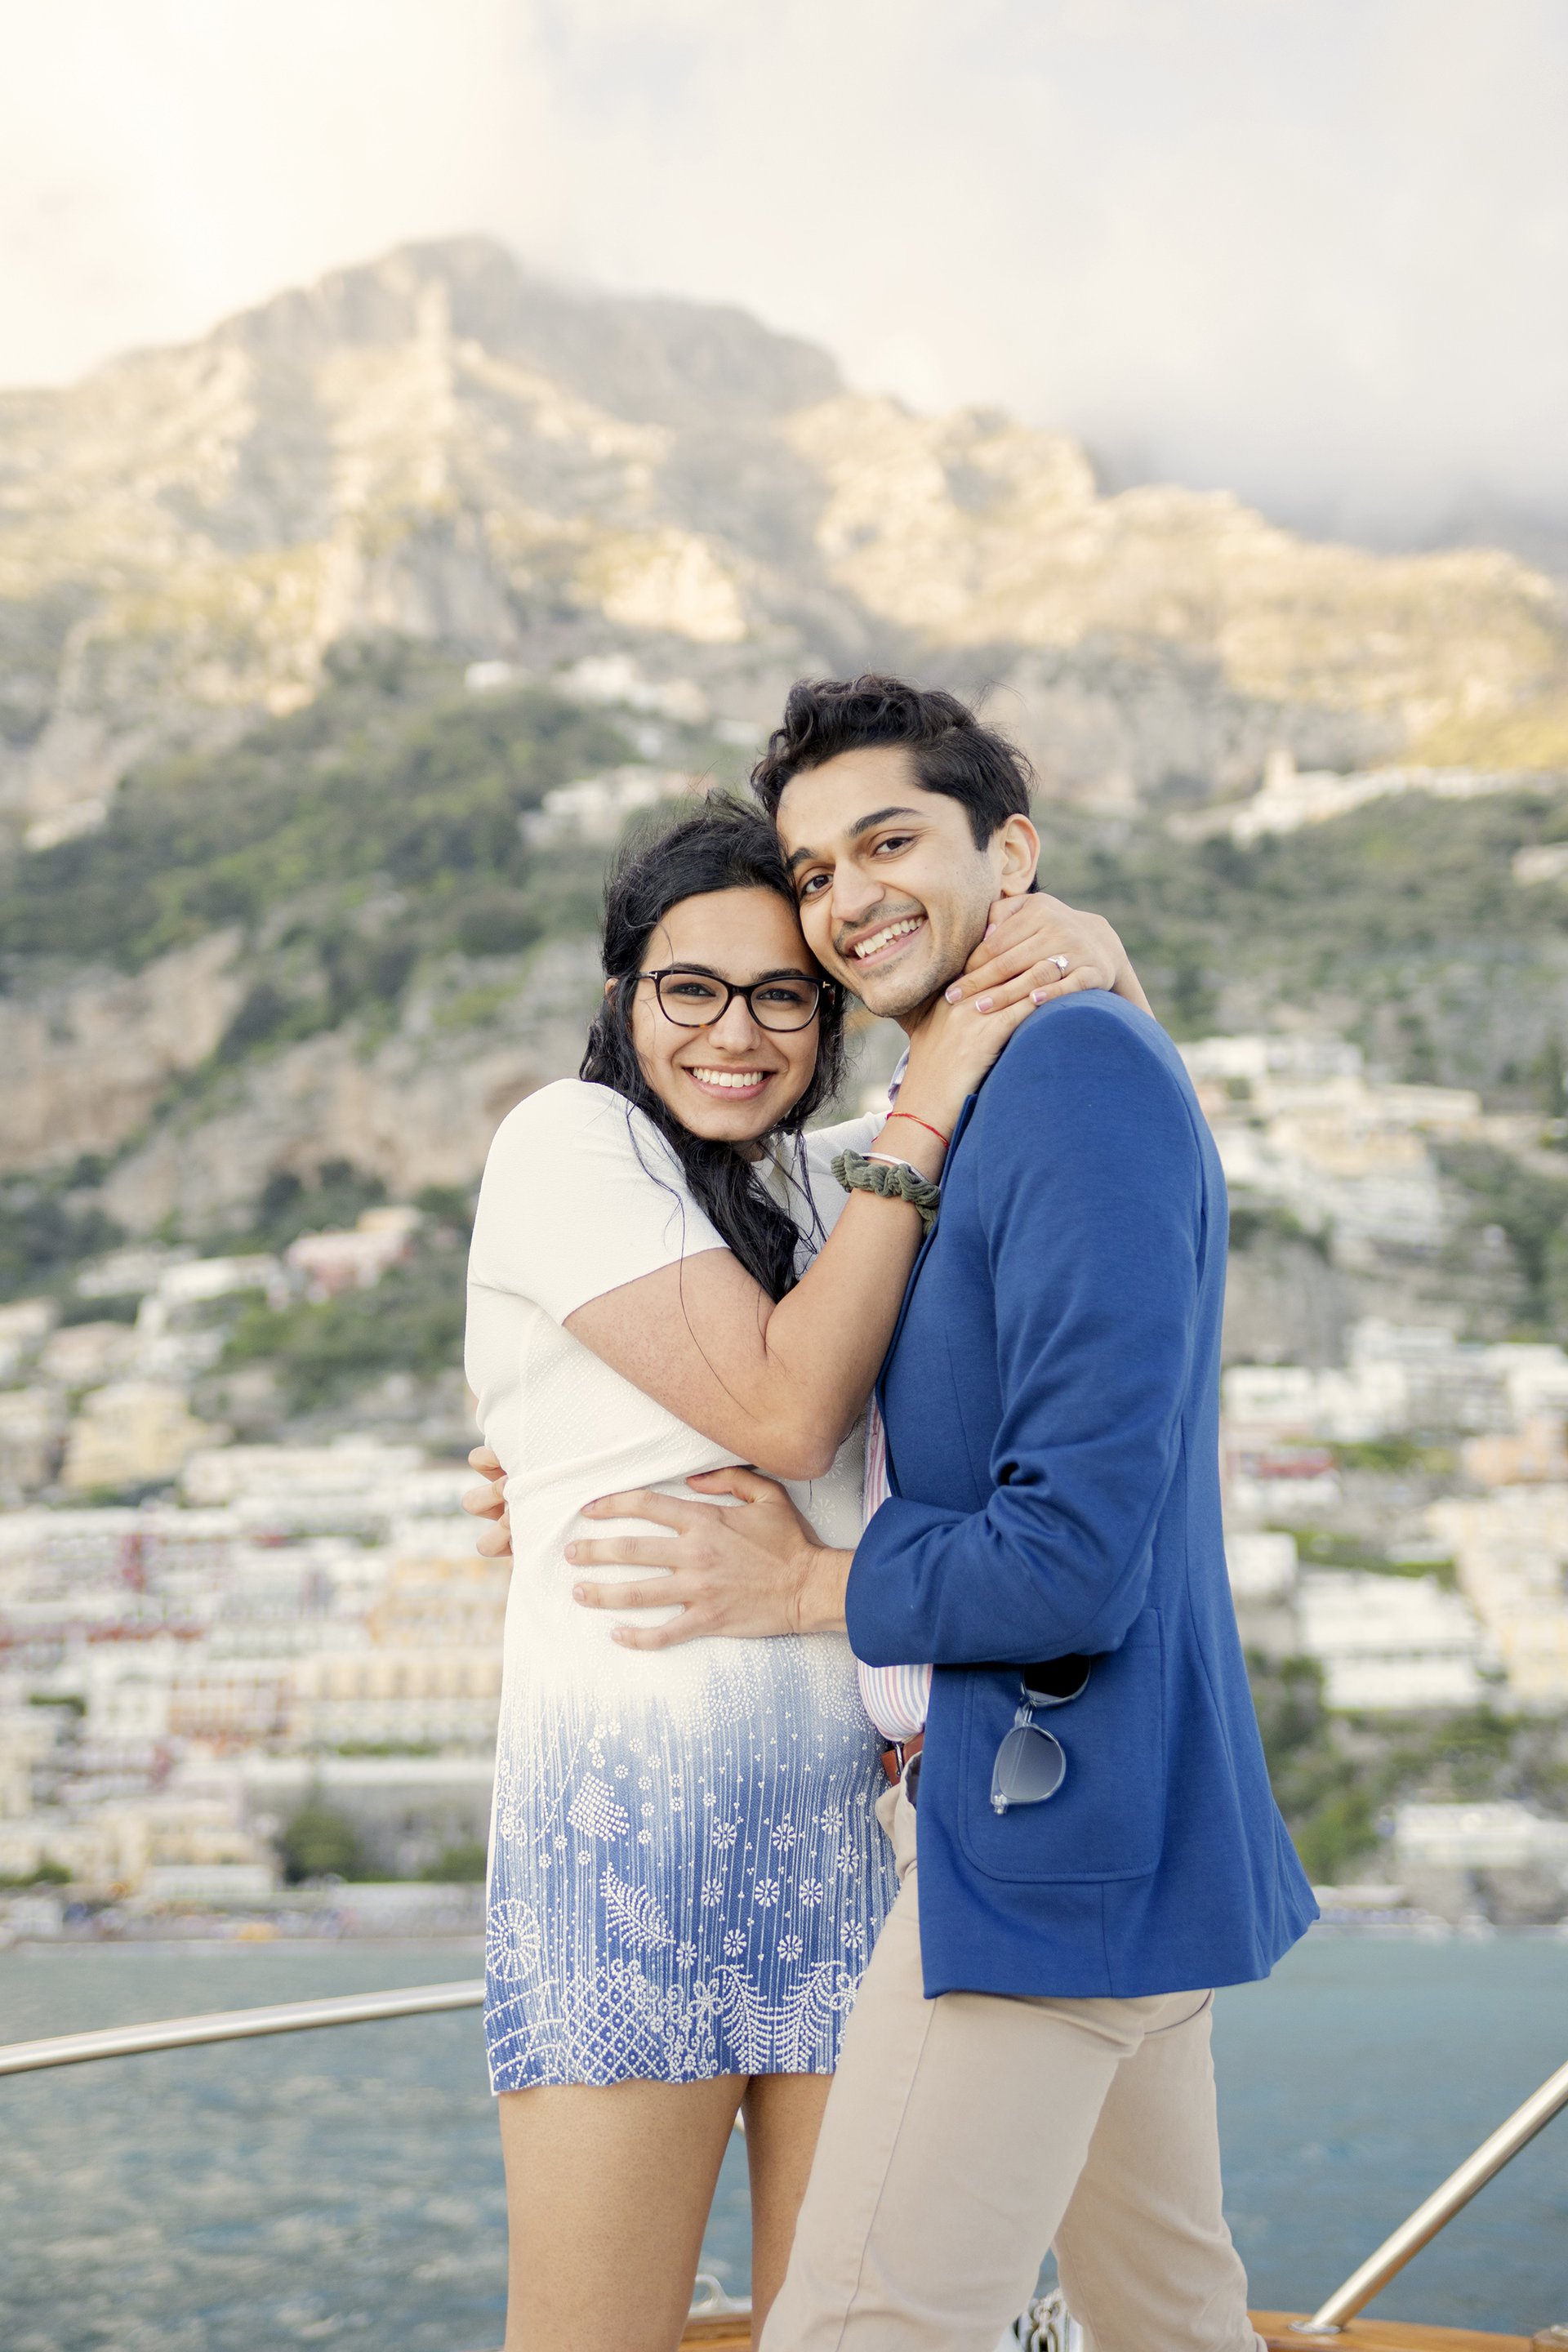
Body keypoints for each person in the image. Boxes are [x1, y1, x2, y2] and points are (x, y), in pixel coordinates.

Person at [559, 677, 1319, 2352]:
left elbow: (1075, 1555)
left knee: (862, 2329)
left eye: (889, 841)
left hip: (1049, 1838)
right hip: (1102, 1834)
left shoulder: (1068, 1076)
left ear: (1012, 855)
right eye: (816, 872)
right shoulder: (986, 1095)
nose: (847, 901)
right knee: (1171, 2323)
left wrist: (803, 1588)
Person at [461, 786, 1147, 2352]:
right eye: (691, 989)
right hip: (621, 1848)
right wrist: (937, 1079)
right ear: (625, 991)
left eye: (786, 994)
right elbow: (787, 1406)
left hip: (850, 1849)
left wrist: (1086, 943)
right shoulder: (569, 1142)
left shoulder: (820, 1189)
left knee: (849, 2332)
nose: (741, 1033)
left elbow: (1081, 1080)